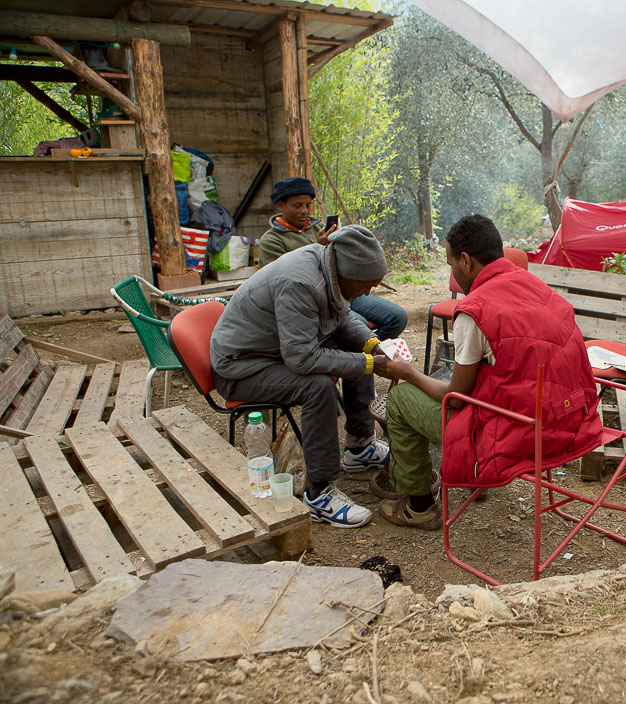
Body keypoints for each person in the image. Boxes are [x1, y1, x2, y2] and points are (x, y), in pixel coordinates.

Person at [376, 215, 605, 529]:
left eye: (451, 263)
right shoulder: (539, 288)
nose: (452, 271)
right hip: (568, 424)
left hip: (514, 437)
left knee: (402, 398)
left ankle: (419, 506)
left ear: (466, 261)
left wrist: (408, 372)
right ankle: (473, 481)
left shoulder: (475, 311)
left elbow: (455, 398)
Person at [210, 226, 394, 527]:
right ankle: (319, 494)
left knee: (358, 349)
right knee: (317, 386)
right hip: (241, 366)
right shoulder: (302, 281)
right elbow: (302, 358)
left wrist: (373, 345)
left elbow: (343, 315)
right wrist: (371, 364)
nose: (367, 292)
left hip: (275, 351)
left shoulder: (330, 265)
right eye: (366, 284)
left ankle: (359, 447)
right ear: (348, 272)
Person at [259, 177, 407, 340]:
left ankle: (368, 353)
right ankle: (357, 357)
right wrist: (318, 247)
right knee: (361, 326)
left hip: (343, 290)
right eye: (297, 206)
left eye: (308, 205)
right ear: (280, 205)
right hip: (317, 300)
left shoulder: (319, 227)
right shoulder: (271, 240)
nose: (304, 210)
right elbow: (283, 281)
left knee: (397, 318)